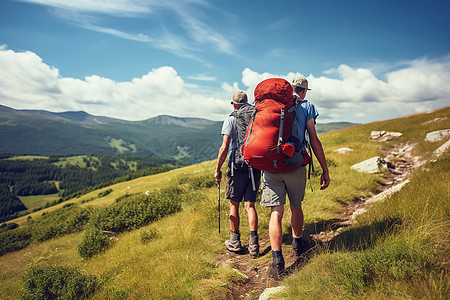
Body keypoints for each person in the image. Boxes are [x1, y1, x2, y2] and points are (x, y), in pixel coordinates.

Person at [260, 76, 331, 279]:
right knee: (296, 206)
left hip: (271, 165)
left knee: (276, 211)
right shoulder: (307, 107)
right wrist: (325, 170)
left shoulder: (273, 104)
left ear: (289, 88)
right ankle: (299, 247)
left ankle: (277, 262)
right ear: (305, 91)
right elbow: (314, 140)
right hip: (295, 163)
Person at [214, 91, 261, 258]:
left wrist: (218, 169)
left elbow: (224, 147)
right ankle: (254, 244)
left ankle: (234, 242)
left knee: (234, 205)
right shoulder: (255, 117)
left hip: (236, 166)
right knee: (250, 206)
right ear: (247, 103)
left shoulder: (231, 119)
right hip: (254, 164)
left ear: (233, 104)